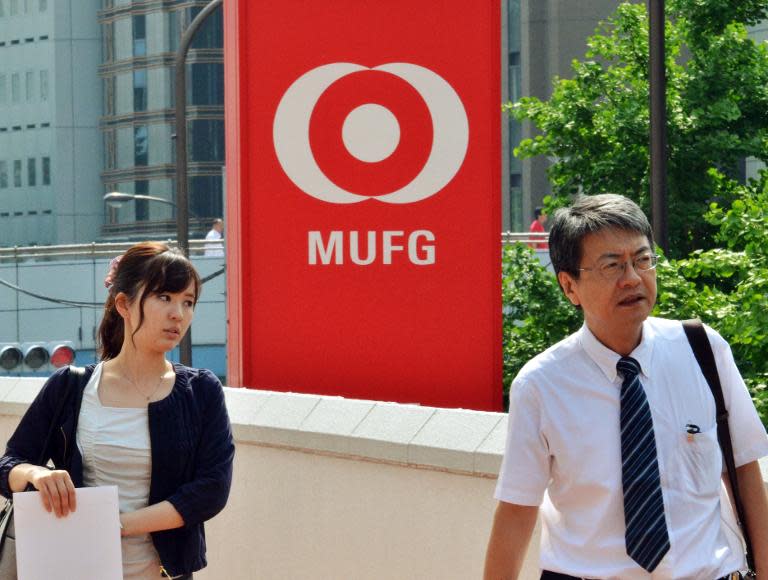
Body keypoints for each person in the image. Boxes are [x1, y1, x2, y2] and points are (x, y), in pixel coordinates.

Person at [484, 194, 768, 579]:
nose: (632, 278)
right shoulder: (541, 385)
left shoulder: (703, 350)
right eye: (612, 265)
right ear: (569, 286)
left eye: (642, 260)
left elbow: (744, 472)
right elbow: (517, 511)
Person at [0, 242, 235, 579]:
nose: (178, 314)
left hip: (162, 573)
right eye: (164, 298)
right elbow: (8, 465)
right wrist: (37, 475)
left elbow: (212, 488)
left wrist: (116, 525)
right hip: (74, 568)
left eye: (188, 302)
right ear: (124, 303)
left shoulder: (200, 391)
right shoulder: (73, 387)